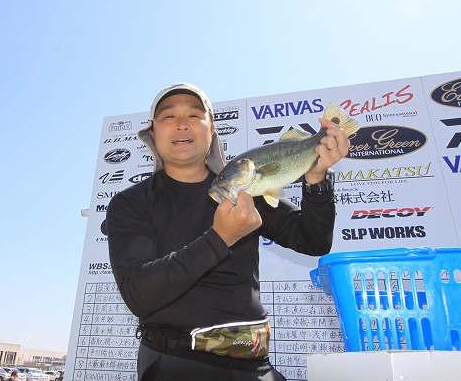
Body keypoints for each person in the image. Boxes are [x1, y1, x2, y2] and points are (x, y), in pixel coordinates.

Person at [106, 82, 350, 380]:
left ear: (211, 131)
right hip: (172, 363)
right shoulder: (131, 203)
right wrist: (221, 238)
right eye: (168, 116)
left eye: (194, 115)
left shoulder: (246, 188)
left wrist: (316, 179)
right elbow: (139, 294)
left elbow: (313, 241)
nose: (182, 124)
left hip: (253, 364)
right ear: (152, 133)